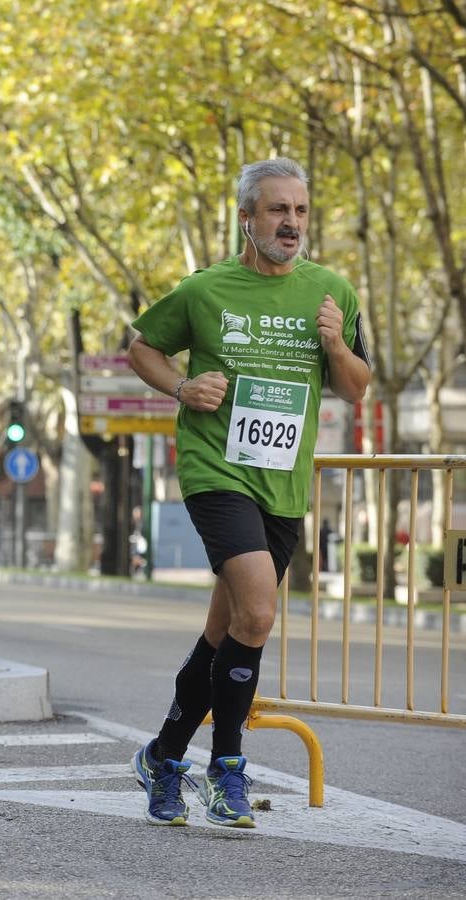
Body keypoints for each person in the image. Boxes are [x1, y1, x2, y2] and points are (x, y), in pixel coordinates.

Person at [126, 157, 370, 829]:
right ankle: (225, 767)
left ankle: (162, 755)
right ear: (246, 218)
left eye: (300, 211)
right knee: (258, 614)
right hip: (216, 471)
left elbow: (356, 385)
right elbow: (142, 347)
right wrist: (181, 386)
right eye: (277, 210)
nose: (291, 222)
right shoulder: (206, 291)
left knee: (225, 629)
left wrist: (334, 343)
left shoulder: (331, 293)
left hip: (283, 484)